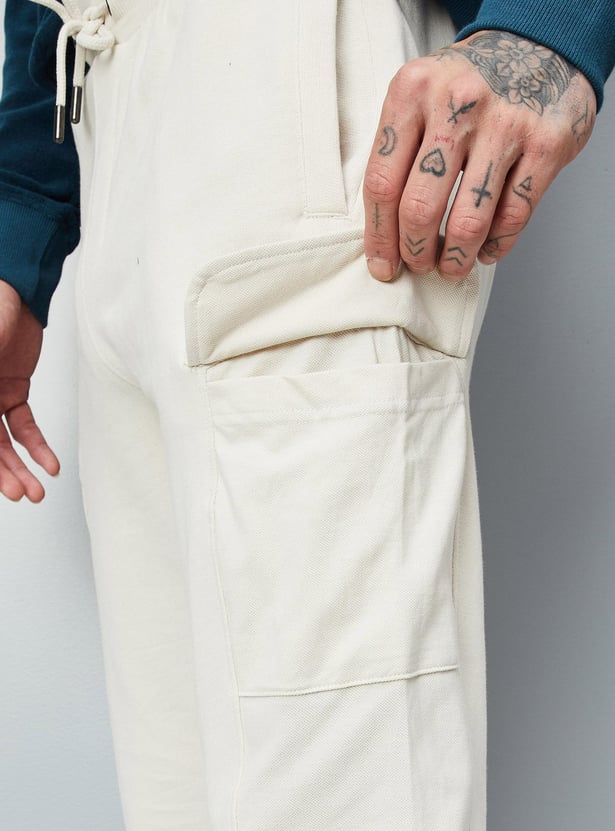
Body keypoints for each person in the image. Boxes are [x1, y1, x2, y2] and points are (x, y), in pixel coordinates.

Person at [0, 1, 613, 828]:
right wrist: (20, 215)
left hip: (288, 91)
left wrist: (550, 24)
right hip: (103, 95)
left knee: (339, 800)